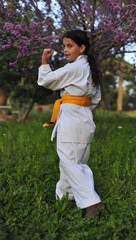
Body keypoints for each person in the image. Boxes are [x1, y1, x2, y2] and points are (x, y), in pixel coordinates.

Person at [37, 29, 103, 218]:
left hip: (72, 120)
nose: (65, 50)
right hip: (84, 118)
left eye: (70, 46)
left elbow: (46, 81)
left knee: (71, 164)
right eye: (64, 46)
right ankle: (64, 201)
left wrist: (44, 61)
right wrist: (81, 108)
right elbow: (96, 99)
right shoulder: (92, 70)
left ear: (82, 48)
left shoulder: (74, 68)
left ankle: (92, 204)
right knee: (73, 162)